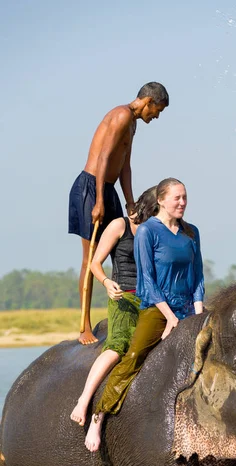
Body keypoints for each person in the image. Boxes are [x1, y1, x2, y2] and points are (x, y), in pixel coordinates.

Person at [85, 177, 205, 452]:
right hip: (157, 308)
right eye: (177, 197)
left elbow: (197, 276)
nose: (182, 202)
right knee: (134, 355)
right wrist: (170, 316)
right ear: (161, 200)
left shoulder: (192, 232)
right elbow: (147, 282)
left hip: (188, 306)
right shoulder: (148, 231)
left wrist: (197, 314)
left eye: (185, 197)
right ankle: (99, 414)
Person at [68, 82, 169, 345]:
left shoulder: (133, 123)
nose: (156, 117)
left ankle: (124, 314)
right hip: (91, 187)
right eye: (156, 110)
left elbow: (125, 165)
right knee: (89, 257)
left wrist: (129, 202)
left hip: (108, 188)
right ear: (147, 101)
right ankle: (84, 327)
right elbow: (103, 157)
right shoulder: (122, 115)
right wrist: (99, 200)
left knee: (120, 249)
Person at [70, 186, 158, 427]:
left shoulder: (158, 231)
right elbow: (95, 262)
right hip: (123, 296)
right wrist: (107, 282)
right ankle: (84, 399)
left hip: (152, 298)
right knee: (118, 345)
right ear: (149, 208)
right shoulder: (120, 225)